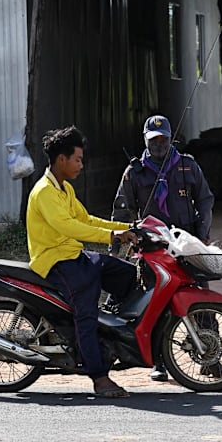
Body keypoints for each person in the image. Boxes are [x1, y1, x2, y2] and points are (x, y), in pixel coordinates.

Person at [27, 125, 138, 398]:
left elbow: (86, 219)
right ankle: (99, 378)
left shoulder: (64, 189)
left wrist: (127, 228)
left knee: (127, 273)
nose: (81, 164)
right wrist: (112, 235)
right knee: (86, 314)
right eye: (77, 159)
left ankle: (110, 328)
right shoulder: (45, 192)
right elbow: (70, 228)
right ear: (61, 159)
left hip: (75, 256)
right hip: (56, 262)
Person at [111, 114, 214, 382]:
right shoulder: (134, 172)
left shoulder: (188, 166)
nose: (159, 144)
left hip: (186, 244)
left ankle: (211, 357)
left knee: (200, 297)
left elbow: (205, 200)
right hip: (152, 246)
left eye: (163, 139)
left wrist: (202, 235)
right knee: (154, 302)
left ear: (171, 138)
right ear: (146, 140)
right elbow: (122, 210)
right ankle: (160, 361)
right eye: (154, 140)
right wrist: (120, 243)